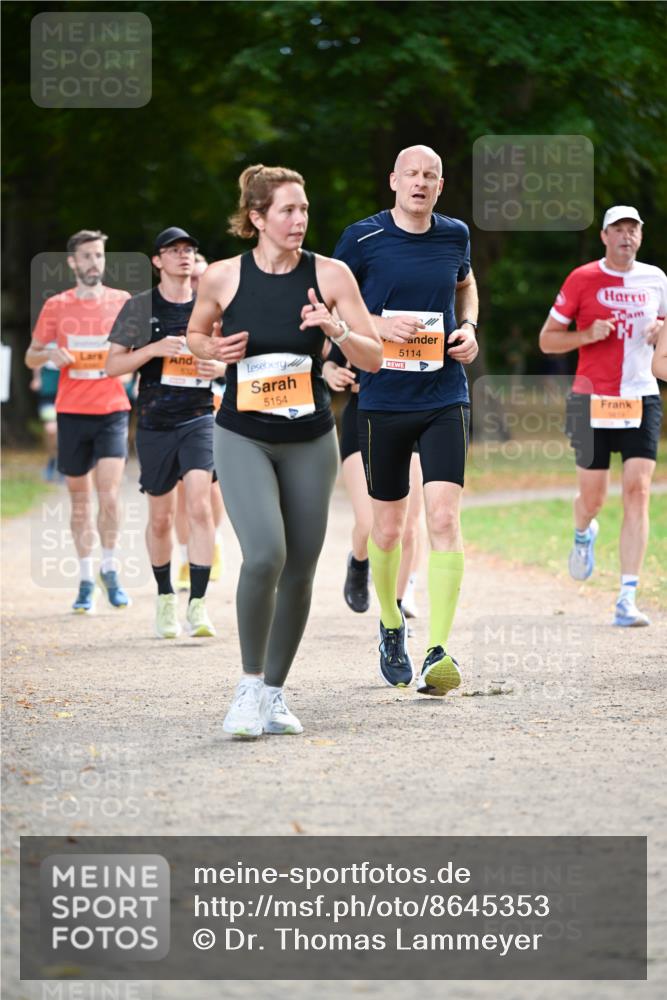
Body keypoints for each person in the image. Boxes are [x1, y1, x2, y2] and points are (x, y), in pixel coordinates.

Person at [187, 164, 382, 738]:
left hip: (309, 438)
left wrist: (337, 331)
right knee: (266, 553)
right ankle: (247, 687)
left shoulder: (331, 274)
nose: (299, 220)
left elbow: (373, 357)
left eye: (303, 209)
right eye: (287, 211)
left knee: (299, 568)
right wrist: (214, 348)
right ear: (257, 218)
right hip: (242, 432)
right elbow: (198, 334)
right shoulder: (223, 277)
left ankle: (274, 693)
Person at [333, 144, 479, 696]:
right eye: (412, 173)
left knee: (441, 518)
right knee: (387, 528)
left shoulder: (455, 235)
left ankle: (438, 649)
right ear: (393, 179)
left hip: (444, 394)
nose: (420, 182)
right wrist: (374, 324)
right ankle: (391, 624)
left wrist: (467, 328)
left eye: (431, 175)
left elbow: (465, 286)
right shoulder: (361, 238)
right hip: (383, 399)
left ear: (440, 186)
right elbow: (330, 304)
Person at [539, 205, 667, 626]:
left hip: (641, 395)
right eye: (619, 229)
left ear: (641, 237)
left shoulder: (657, 279)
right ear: (604, 236)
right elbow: (547, 341)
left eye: (634, 229)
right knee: (592, 499)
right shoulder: (582, 278)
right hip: (590, 399)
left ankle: (627, 597)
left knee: (638, 490)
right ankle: (582, 532)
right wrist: (585, 335)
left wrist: (661, 330)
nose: (626, 236)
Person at [106, 227, 224, 639]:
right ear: (157, 261)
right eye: (174, 251)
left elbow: (229, 355)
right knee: (160, 519)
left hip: (199, 418)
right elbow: (112, 366)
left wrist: (218, 368)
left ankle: (199, 604)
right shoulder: (139, 308)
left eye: (189, 249)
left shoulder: (208, 306)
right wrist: (153, 350)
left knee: (200, 506)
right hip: (156, 422)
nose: (184, 256)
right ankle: (164, 598)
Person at [25, 229, 132, 613]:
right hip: (71, 411)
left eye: (99, 256)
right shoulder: (57, 306)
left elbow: (133, 353)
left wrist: (128, 370)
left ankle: (111, 569)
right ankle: (87, 579)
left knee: (109, 494)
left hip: (112, 410)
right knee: (81, 501)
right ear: (72, 262)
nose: (93, 263)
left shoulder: (121, 302)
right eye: (86, 257)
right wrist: (50, 353)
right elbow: (31, 357)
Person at [323, 343, 424, 619]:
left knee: (408, 526)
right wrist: (333, 373)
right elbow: (331, 362)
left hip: (415, 415)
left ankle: (396, 610)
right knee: (369, 522)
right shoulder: (362, 312)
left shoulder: (425, 309)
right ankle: (359, 562)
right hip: (365, 416)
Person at [29, 358, 60, 481]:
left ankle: (64, 463)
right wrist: (36, 378)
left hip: (68, 388)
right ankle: (52, 459)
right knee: (51, 430)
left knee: (66, 429)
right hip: (48, 388)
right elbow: (36, 353)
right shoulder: (45, 338)